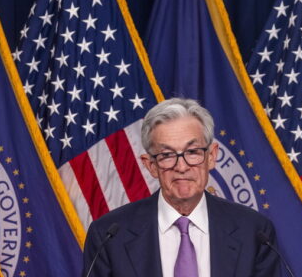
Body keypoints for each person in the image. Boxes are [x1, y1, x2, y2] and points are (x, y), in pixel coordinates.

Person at [82, 98, 281, 277]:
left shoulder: (254, 231)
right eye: (167, 155)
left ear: (211, 156)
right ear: (150, 165)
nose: (182, 166)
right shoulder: (109, 236)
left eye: (192, 151)